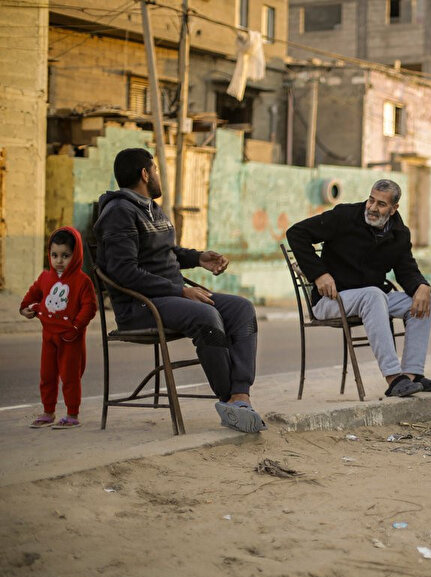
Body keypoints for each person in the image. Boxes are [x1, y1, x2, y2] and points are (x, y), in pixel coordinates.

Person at [93, 148, 265, 433]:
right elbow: (124, 272)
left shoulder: (150, 208)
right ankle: (228, 398)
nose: (160, 175)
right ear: (145, 174)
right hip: (140, 307)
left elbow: (166, 253)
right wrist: (181, 291)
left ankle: (240, 397)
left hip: (169, 297)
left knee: (241, 309)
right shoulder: (119, 212)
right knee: (205, 316)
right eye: (157, 169)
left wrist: (198, 258)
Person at [286, 179, 431, 397]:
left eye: (381, 204)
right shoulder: (344, 216)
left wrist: (422, 286)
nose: (372, 207)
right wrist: (319, 274)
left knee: (422, 302)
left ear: (393, 208)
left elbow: (406, 270)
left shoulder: (399, 233)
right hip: (331, 300)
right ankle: (393, 378)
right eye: (371, 200)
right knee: (374, 294)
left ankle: (411, 375)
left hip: (373, 299)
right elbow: (296, 233)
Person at [20, 227, 98, 429]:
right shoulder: (45, 277)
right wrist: (24, 309)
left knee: (70, 376)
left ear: (76, 254)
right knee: (47, 375)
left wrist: (76, 326)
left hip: (70, 338)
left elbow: (90, 306)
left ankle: (72, 414)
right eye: (54, 255)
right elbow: (32, 295)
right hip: (49, 337)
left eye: (65, 255)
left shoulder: (83, 281)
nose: (59, 260)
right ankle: (48, 412)